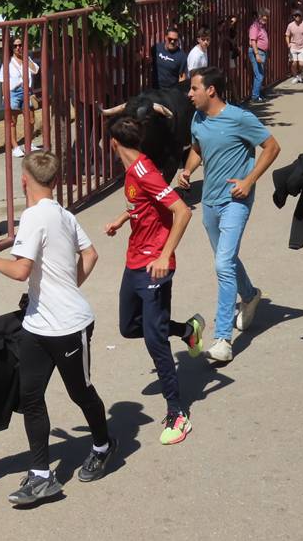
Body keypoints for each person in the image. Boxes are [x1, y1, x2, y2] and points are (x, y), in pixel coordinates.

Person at [0, 152, 115, 504]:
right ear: (55, 180)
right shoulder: (65, 214)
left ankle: (103, 445)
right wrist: (66, 286)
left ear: (24, 181)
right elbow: (90, 255)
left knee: (81, 392)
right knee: (30, 397)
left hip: (69, 326)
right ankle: (40, 476)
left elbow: (21, 270)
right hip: (37, 325)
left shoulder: (35, 216)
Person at [103, 117, 204, 445]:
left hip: (155, 266)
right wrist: (123, 218)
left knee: (154, 340)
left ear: (113, 143)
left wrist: (164, 255)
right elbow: (146, 201)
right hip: (134, 261)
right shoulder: (134, 171)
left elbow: (182, 211)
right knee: (129, 327)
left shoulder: (144, 171)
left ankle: (178, 413)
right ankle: (187, 330)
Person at [178, 67, 280, 363]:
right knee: (227, 259)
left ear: (211, 90)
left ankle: (222, 339)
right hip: (209, 202)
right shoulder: (198, 118)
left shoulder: (239, 118)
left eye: (194, 88)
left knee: (223, 263)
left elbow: (272, 147)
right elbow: (197, 148)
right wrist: (188, 170)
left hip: (236, 199)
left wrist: (249, 180)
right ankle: (249, 295)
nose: (189, 94)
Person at [0, 38, 40, 158]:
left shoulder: (27, 59)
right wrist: (4, 96)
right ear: (11, 48)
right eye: (15, 46)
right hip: (14, 93)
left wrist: (26, 58)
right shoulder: (8, 62)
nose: (18, 48)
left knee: (31, 119)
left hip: (27, 91)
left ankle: (29, 143)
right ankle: (15, 147)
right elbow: (3, 81)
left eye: (20, 45)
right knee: (13, 121)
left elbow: (36, 70)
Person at [248, 9, 270, 103]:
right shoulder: (255, 26)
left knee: (260, 74)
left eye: (267, 17)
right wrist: (257, 54)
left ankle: (258, 94)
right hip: (257, 52)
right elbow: (253, 41)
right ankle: (255, 97)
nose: (266, 19)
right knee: (259, 75)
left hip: (261, 52)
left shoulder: (261, 27)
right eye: (264, 17)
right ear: (260, 17)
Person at [285, 9, 303, 82]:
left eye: (299, 15)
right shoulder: (290, 25)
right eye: (296, 15)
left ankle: (302, 74)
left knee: (301, 64)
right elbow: (287, 35)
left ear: (301, 16)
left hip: (302, 47)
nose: (297, 17)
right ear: (293, 17)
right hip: (293, 46)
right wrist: (288, 43)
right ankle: (295, 77)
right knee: (294, 63)